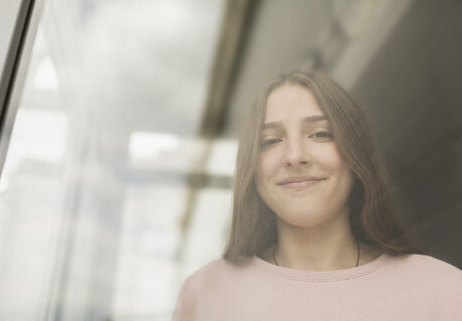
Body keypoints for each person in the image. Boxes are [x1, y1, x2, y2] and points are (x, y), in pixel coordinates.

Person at [172, 69, 462, 320]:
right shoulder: (205, 295)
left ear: (355, 154)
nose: (295, 156)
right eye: (271, 140)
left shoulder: (444, 291)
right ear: (252, 167)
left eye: (321, 134)